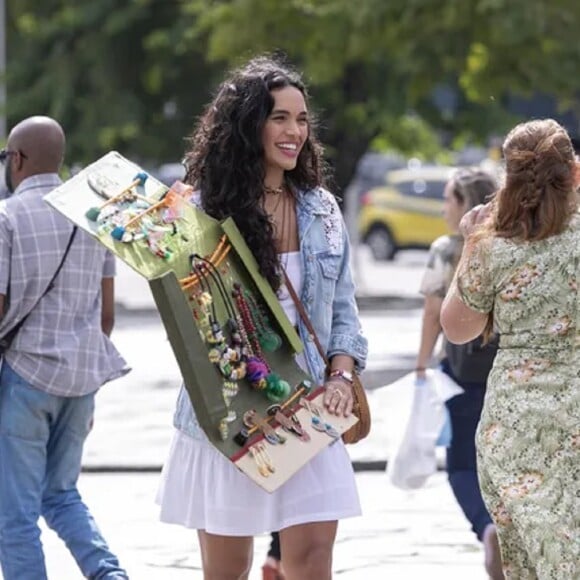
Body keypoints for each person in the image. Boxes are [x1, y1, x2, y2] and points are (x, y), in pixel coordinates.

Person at [156, 56, 368, 579]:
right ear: (248, 124)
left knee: (315, 556)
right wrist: (167, 230)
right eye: (280, 118)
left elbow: (343, 309)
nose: (295, 130)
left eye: (301, 119)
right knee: (227, 568)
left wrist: (342, 374)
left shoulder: (321, 208)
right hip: (233, 410)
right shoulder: (202, 212)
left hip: (309, 406)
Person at [441, 119, 580, 579]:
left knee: (530, 563)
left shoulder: (494, 245)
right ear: (574, 174)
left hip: (514, 426)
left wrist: (469, 246)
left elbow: (458, 329)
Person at [0, 116, 130, 579]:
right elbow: (106, 317)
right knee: (62, 494)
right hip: (79, 383)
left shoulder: (7, 217)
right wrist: (83, 382)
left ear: (17, 160)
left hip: (25, 382)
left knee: (13, 515)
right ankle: (109, 576)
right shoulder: (93, 219)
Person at [415, 167, 504, 579]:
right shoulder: (508, 244)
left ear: (465, 204)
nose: (444, 207)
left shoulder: (447, 249)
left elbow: (434, 314)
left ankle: (485, 529)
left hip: (460, 375)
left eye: (449, 198)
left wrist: (421, 366)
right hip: (502, 375)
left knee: (462, 466)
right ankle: (505, 531)